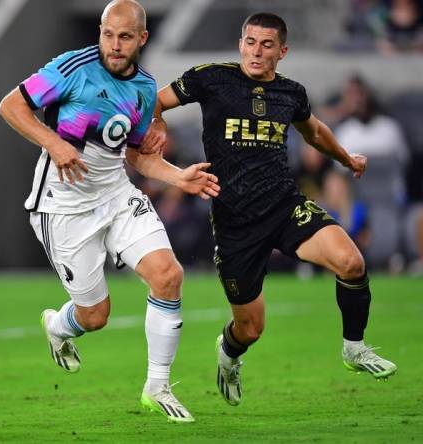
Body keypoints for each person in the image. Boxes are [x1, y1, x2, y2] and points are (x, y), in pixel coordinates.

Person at [141, 12, 397, 407]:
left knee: (351, 262)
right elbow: (155, 100)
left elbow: (314, 131)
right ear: (241, 42)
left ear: (282, 51)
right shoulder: (211, 77)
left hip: (283, 205)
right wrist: (157, 124)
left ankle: (354, 348)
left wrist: (347, 159)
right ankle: (228, 356)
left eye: (266, 45)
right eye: (250, 42)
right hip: (234, 222)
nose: (256, 52)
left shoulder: (291, 93)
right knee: (251, 327)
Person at [0, 0, 219, 423]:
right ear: (99, 31)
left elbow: (136, 156)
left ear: (142, 39)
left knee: (168, 275)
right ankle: (59, 326)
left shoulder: (144, 89)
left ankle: (158, 386)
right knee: (96, 317)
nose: (114, 45)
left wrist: (178, 177)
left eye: (125, 36)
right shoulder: (71, 67)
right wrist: (54, 143)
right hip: (63, 207)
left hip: (116, 195)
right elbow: (10, 106)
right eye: (107, 34)